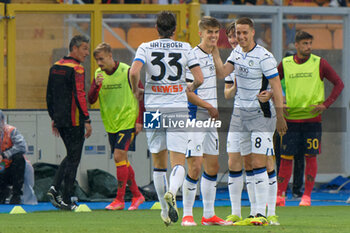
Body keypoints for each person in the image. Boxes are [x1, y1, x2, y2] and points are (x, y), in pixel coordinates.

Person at [129, 11, 203, 226]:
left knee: (159, 164)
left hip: (153, 109)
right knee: (178, 161)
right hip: (178, 109)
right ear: (174, 29)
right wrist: (190, 87)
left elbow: (134, 72)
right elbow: (199, 78)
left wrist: (136, 90)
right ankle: (173, 191)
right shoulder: (186, 47)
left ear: (157, 27)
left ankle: (163, 210)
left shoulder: (145, 46)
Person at [212, 17, 287, 225]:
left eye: (245, 32)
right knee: (237, 161)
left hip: (261, 115)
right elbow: (222, 73)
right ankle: (237, 212)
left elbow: (277, 88)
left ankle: (261, 213)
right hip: (239, 115)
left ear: (252, 32)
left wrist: (280, 117)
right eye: (238, 33)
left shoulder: (264, 57)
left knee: (260, 162)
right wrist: (215, 50)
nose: (241, 36)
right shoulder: (236, 53)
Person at [276, 30, 344, 207]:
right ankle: (280, 195)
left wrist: (326, 104)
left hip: (312, 120)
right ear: (296, 45)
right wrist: (279, 102)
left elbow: (339, 83)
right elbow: (272, 81)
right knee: (285, 158)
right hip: (290, 119)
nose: (308, 47)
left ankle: (306, 196)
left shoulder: (319, 63)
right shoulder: (285, 63)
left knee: (310, 157)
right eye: (304, 44)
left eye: (310, 43)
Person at [181, 16, 230, 227]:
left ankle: (209, 214)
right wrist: (209, 106)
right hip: (196, 116)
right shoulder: (191, 56)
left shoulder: (212, 53)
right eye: (209, 32)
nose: (213, 36)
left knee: (213, 166)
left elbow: (221, 74)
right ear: (200, 32)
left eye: (216, 32)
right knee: (195, 166)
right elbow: (188, 93)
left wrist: (217, 52)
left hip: (211, 117)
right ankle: (187, 215)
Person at [88, 42, 145, 211]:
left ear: (110, 56)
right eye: (97, 60)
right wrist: (96, 86)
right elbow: (91, 100)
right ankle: (137, 195)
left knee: (118, 156)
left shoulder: (128, 71)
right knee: (122, 160)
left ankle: (120, 199)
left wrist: (140, 119)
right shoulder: (98, 74)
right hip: (111, 123)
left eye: (101, 59)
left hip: (127, 120)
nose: (99, 63)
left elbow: (141, 95)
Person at [46, 35, 92, 211]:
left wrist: (54, 118)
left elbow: (49, 94)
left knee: (71, 155)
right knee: (74, 158)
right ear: (74, 48)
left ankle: (54, 188)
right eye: (84, 49)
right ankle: (65, 199)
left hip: (60, 119)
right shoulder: (77, 69)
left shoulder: (55, 67)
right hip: (74, 120)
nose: (87, 53)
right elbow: (79, 95)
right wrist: (87, 119)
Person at [0, 110, 27, 204]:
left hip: (12, 168)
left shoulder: (11, 131)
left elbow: (22, 146)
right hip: (1, 170)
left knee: (19, 158)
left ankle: (16, 194)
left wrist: (4, 155)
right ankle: (2, 193)